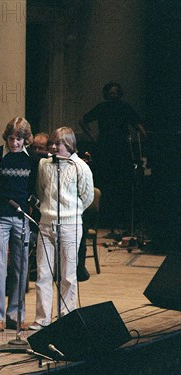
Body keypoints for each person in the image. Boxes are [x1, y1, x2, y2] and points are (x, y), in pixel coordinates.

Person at [29, 127, 94, 330]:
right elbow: (41, 190)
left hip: (70, 225)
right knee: (43, 273)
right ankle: (42, 319)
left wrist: (70, 213)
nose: (54, 147)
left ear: (69, 145)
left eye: (58, 144)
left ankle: (67, 317)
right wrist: (47, 212)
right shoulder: (44, 164)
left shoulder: (80, 167)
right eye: (52, 143)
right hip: (46, 223)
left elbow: (87, 196)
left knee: (67, 275)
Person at [0, 117, 36, 333]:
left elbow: (33, 189)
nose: (14, 143)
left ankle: (15, 315)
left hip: (22, 217)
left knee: (21, 267)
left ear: (26, 140)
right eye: (11, 138)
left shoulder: (32, 160)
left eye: (19, 139)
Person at [79, 81, 146, 233]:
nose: (113, 95)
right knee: (105, 183)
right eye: (111, 92)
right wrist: (92, 137)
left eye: (116, 92)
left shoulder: (125, 107)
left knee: (122, 184)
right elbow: (83, 120)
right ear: (106, 94)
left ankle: (121, 220)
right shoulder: (102, 107)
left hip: (122, 150)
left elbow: (137, 124)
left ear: (119, 94)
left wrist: (144, 138)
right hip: (105, 149)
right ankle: (105, 219)